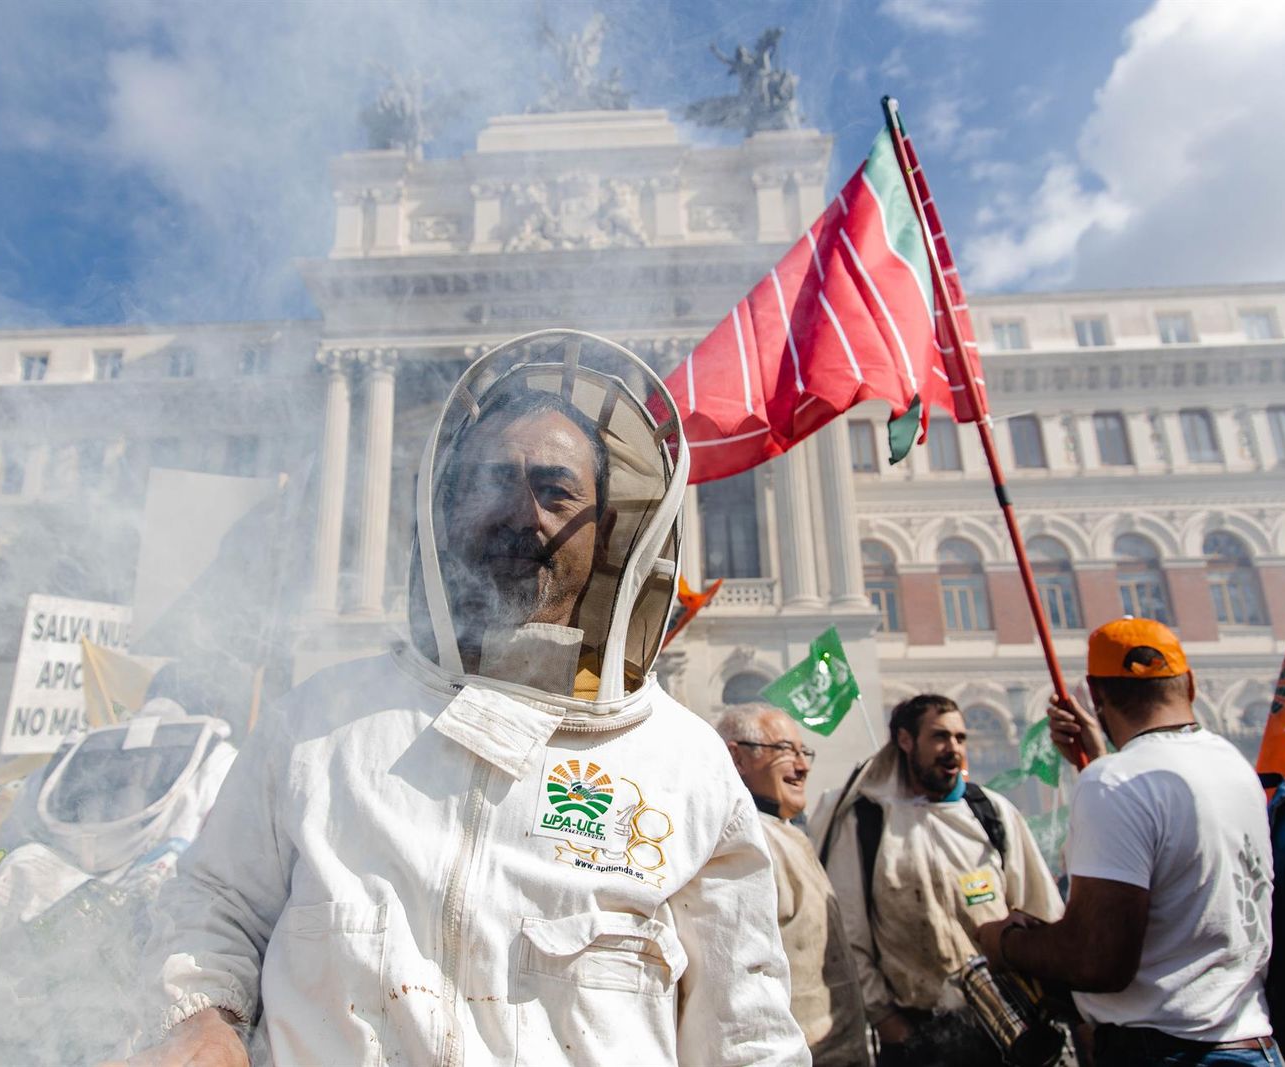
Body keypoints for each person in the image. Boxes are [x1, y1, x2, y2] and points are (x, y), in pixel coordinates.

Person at [122, 331, 806, 1066]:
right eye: (491, 484)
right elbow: (213, 907)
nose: (525, 515)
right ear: (442, 514)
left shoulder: (685, 764)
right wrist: (202, 1019)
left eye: (556, 489)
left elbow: (747, 1034)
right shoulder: (318, 726)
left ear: (608, 530)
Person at [978, 617, 1280, 1066]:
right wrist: (1099, 760)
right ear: (1190, 684)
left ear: (1096, 696)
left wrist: (1004, 943)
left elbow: (1099, 960)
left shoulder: (1115, 783)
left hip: (1166, 1051)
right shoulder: (1231, 765)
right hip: (1251, 1043)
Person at [814, 694, 1063, 1067]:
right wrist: (889, 1024)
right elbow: (849, 937)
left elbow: (1039, 911)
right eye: (940, 737)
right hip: (915, 1033)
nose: (953, 749)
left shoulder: (991, 814)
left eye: (960, 738)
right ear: (905, 740)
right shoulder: (867, 821)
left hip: (1006, 1026)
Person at [718, 703, 872, 1067]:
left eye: (804, 752)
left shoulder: (782, 833)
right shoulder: (747, 842)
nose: (803, 766)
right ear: (736, 758)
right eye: (785, 751)